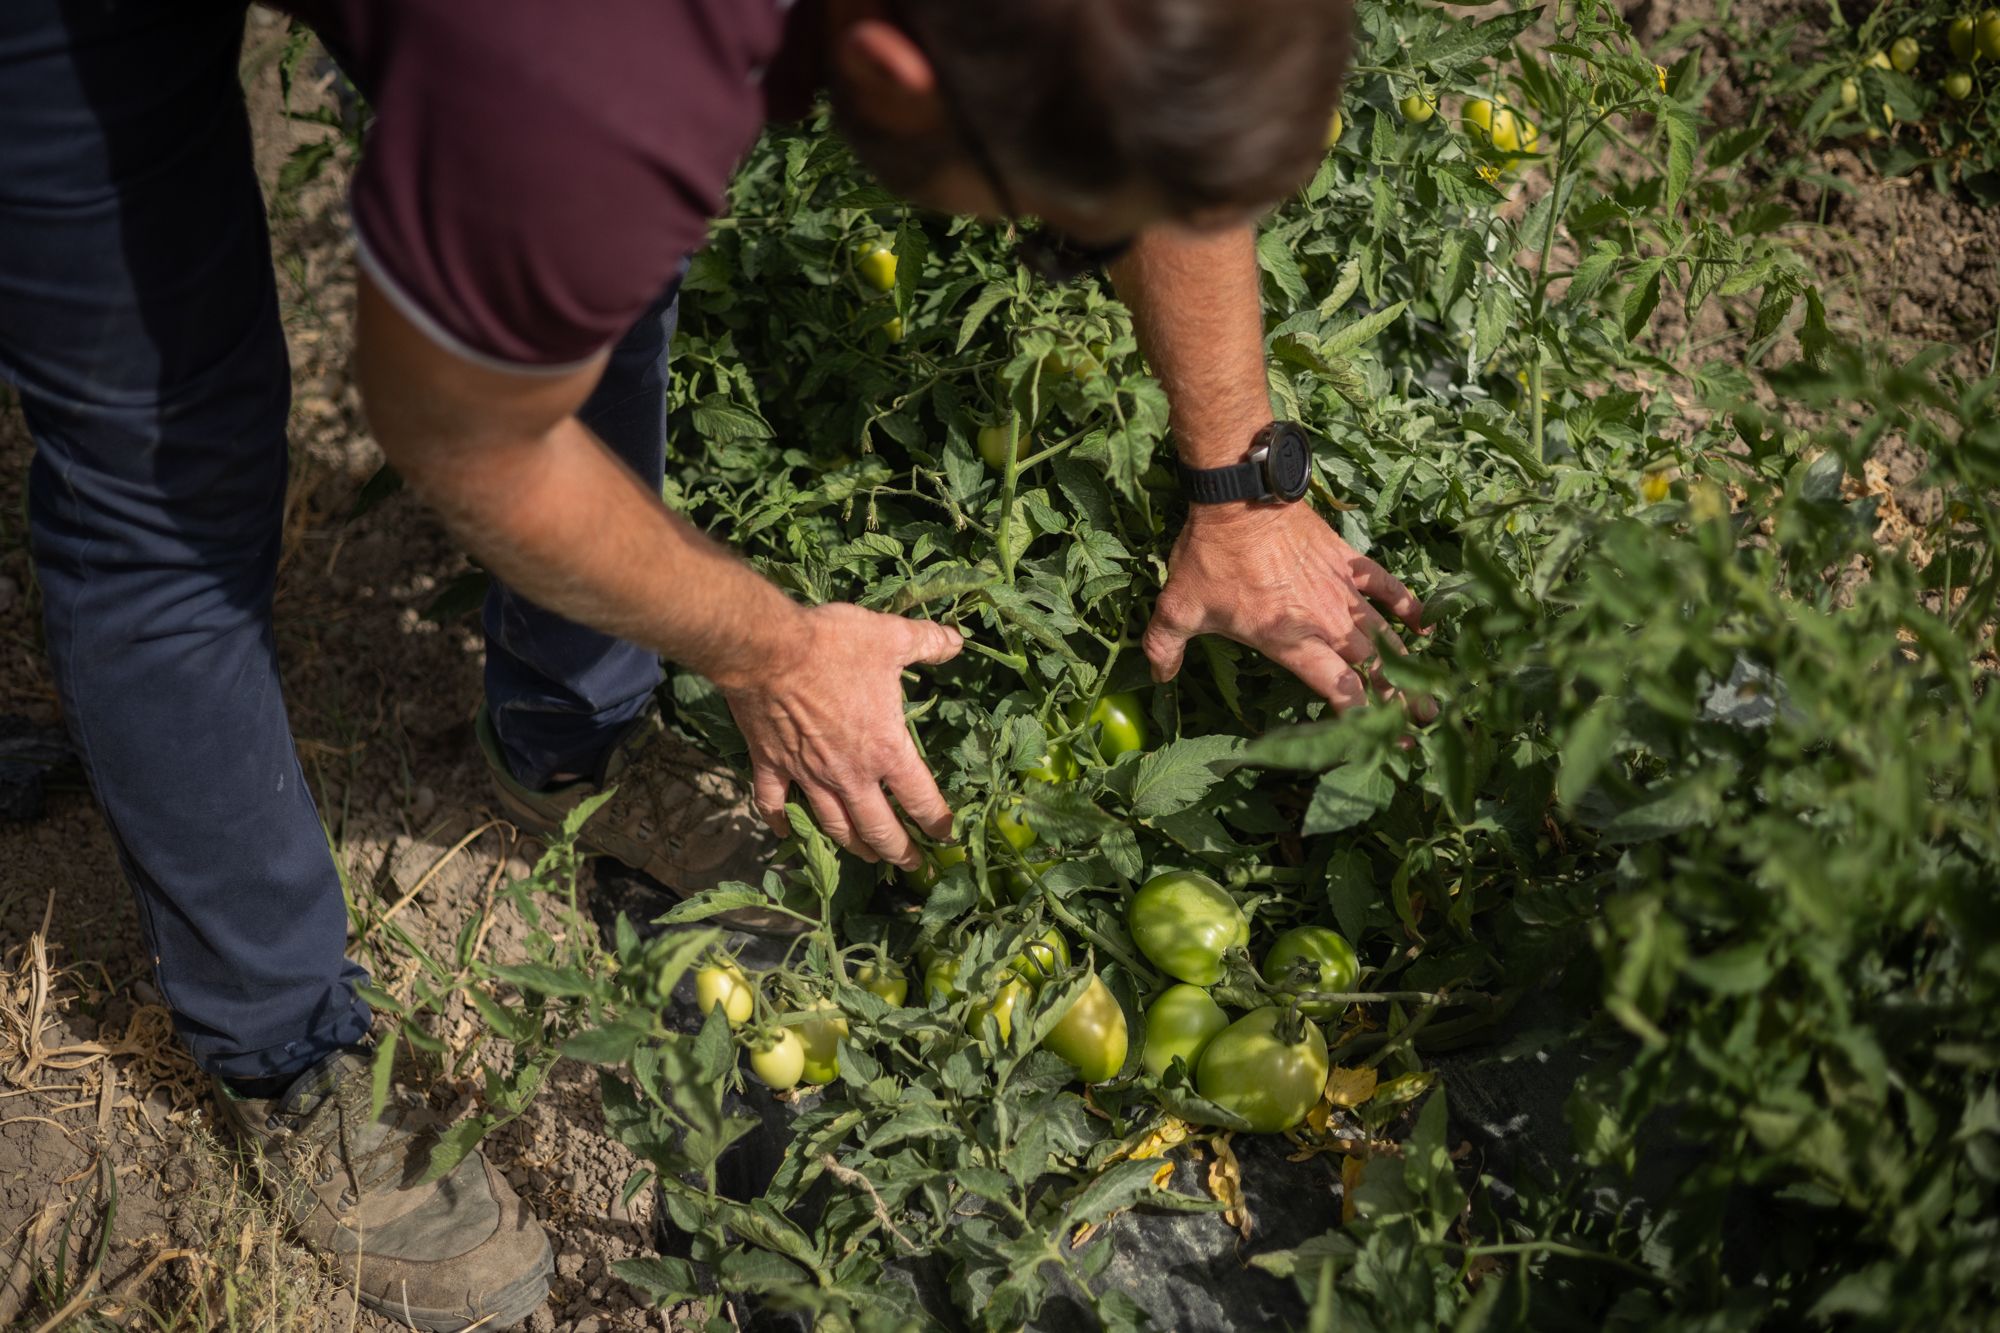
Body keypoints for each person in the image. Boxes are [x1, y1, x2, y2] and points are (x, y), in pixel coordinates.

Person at [0, 0, 1425, 1325]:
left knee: (601, 286)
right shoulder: (605, 70)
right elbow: (461, 427)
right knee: (165, 482)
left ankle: (568, 744)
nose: (1052, 244)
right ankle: (282, 1045)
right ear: (892, 69)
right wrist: (770, 648)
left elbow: (1159, 100)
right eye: (1048, 229)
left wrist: (1244, 481)